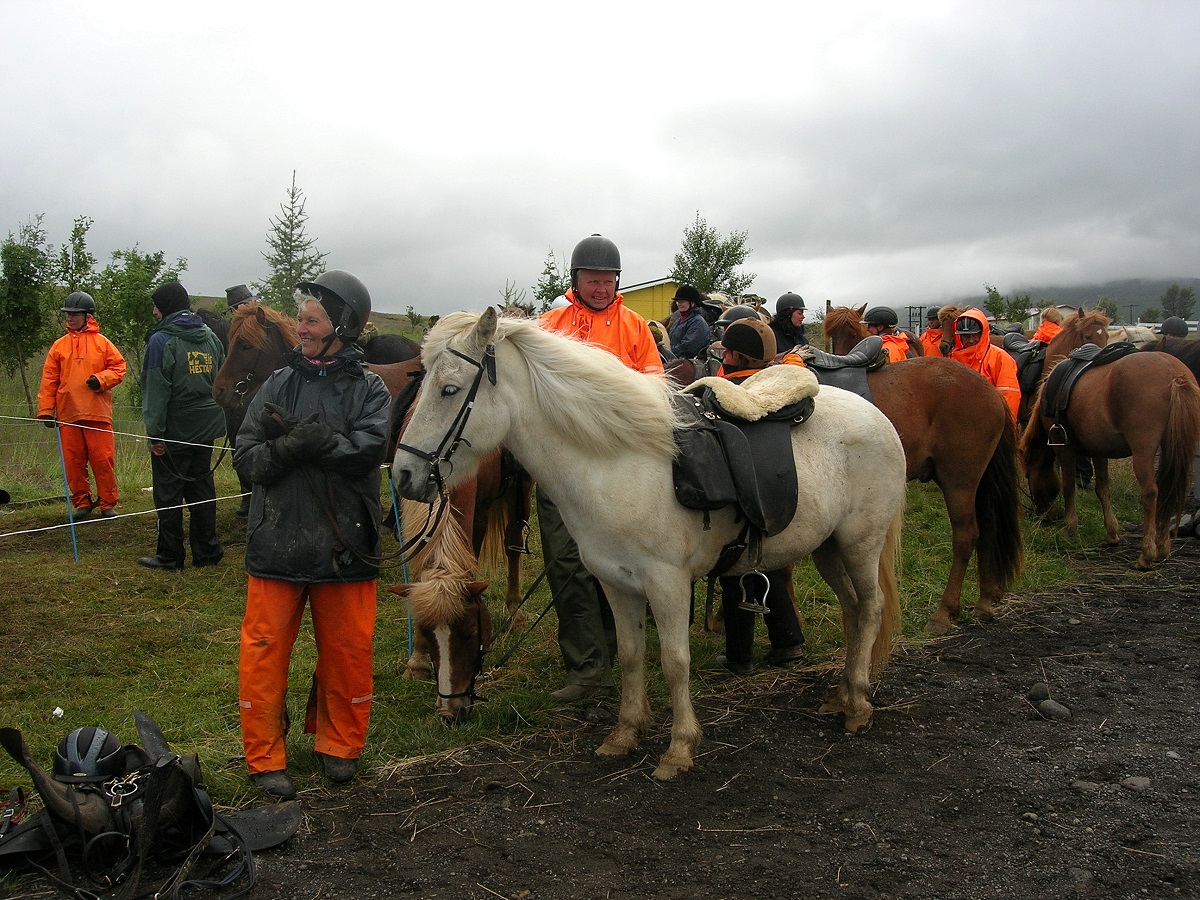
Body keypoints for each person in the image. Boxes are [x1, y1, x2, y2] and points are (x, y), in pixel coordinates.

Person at [234, 270, 391, 799]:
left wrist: (319, 443)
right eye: (300, 317)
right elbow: (247, 456)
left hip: (345, 543)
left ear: (343, 325)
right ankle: (263, 757)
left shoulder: (370, 390)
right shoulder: (277, 384)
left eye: (312, 319)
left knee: (347, 651)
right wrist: (285, 450)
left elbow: (369, 450)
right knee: (263, 652)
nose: (300, 326)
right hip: (276, 541)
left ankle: (339, 747)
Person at [539, 234, 662, 702]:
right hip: (562, 467)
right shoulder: (550, 325)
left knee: (616, 563)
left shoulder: (634, 326)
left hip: (617, 467)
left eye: (608, 280)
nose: (601, 287)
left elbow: (653, 382)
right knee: (566, 562)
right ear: (576, 281)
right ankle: (587, 670)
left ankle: (621, 655)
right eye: (592, 280)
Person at [712, 318, 807, 674]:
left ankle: (740, 656)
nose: (723, 355)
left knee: (735, 566)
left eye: (726, 351)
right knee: (770, 560)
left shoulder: (722, 396)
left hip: (736, 498)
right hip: (780, 488)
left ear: (735, 355)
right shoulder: (780, 390)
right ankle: (788, 640)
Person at [139, 282, 226, 570]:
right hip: (205, 426)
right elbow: (222, 376)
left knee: (168, 493)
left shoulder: (161, 341)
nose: (154, 311)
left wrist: (155, 434)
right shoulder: (210, 336)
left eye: (156, 306)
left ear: (165, 307)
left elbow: (155, 391)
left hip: (174, 430)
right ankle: (208, 553)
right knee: (201, 488)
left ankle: (170, 556)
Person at [37, 291, 127, 519]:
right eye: (68, 314)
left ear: (87, 316)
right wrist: (46, 411)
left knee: (103, 460)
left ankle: (108, 504)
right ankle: (82, 504)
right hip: (67, 414)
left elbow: (118, 368)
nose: (70, 318)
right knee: (73, 463)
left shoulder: (102, 343)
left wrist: (101, 380)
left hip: (97, 413)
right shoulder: (58, 346)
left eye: (74, 314)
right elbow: (49, 380)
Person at [949, 307, 1021, 423]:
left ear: (983, 333)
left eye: (974, 335)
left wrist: (1006, 429)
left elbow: (1010, 397)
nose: (971, 340)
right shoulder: (953, 360)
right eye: (966, 336)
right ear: (959, 337)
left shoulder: (1000, 358)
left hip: (991, 424)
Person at [667, 284, 712, 359]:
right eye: (677, 301)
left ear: (692, 303)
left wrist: (668, 352)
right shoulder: (678, 321)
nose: (678, 304)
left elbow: (688, 348)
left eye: (682, 301)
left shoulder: (698, 322)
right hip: (674, 359)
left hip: (691, 361)